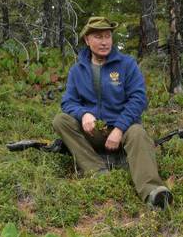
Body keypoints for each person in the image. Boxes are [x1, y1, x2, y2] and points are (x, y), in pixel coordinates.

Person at [52, 16, 173, 209]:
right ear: (87, 40)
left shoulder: (127, 64)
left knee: (138, 133)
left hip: (123, 132)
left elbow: (138, 99)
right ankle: (97, 171)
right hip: (94, 131)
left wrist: (119, 128)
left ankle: (152, 191)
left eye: (108, 36)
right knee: (61, 121)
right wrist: (83, 114)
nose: (104, 41)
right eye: (98, 37)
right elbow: (68, 101)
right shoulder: (77, 70)